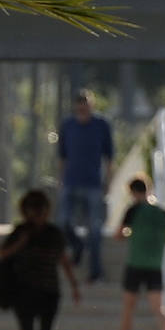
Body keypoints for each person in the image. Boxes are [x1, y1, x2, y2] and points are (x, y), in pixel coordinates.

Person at [0, 190, 82, 330]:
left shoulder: (54, 233)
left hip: (48, 292)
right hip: (23, 293)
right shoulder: (21, 232)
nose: (37, 214)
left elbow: (63, 260)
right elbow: (2, 253)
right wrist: (21, 243)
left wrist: (74, 286)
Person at [114, 175, 165, 330]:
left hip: (135, 264)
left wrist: (131, 234)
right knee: (159, 307)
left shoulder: (133, 211)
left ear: (133, 192)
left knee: (128, 307)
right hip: (154, 265)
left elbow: (119, 235)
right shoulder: (164, 213)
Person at [58, 90, 115, 283]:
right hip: (71, 183)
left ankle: (96, 271)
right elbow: (62, 156)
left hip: (93, 185)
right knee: (63, 222)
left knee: (95, 230)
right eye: (79, 108)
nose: (82, 111)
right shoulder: (67, 126)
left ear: (91, 106)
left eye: (86, 107)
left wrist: (109, 181)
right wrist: (61, 180)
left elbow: (109, 157)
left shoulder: (101, 125)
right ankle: (78, 246)